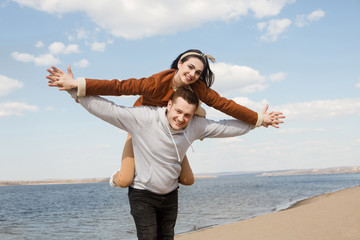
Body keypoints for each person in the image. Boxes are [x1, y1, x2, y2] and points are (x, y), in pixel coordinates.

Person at [47, 49, 285, 188]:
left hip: (175, 134)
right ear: (179, 63)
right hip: (143, 129)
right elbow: (119, 86)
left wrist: (258, 119)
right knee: (125, 180)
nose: (192, 74)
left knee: (188, 180)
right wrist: (78, 85)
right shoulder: (155, 82)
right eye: (189, 67)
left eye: (198, 72)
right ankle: (115, 177)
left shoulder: (199, 88)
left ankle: (172, 158)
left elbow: (224, 104)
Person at [61, 85, 262, 240]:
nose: (181, 118)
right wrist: (74, 91)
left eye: (187, 115)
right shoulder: (145, 118)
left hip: (169, 195)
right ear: (168, 105)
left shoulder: (195, 125)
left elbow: (225, 127)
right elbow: (109, 110)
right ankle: (116, 177)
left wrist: (258, 121)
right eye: (178, 111)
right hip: (142, 194)